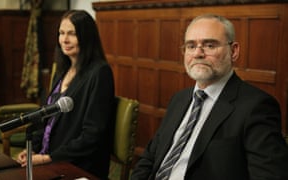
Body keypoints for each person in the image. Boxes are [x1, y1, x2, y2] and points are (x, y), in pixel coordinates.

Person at [131, 14, 288, 180]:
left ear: (234, 51)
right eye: (191, 46)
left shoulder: (256, 106)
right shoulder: (179, 99)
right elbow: (150, 157)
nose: (198, 53)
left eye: (210, 45)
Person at [16, 10, 115, 179]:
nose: (65, 40)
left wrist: (48, 158)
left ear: (86, 37)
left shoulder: (100, 72)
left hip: (77, 165)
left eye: (72, 34)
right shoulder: (62, 70)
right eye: (61, 33)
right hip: (49, 158)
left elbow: (92, 135)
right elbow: (46, 120)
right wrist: (33, 149)